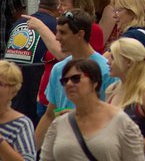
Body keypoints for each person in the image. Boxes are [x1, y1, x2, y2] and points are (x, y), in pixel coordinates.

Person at [35, 10, 114, 146]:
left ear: (80, 34)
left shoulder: (106, 71)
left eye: (63, 33)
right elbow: (49, 115)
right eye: (57, 31)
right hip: (63, 146)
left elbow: (114, 118)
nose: (57, 37)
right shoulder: (58, 69)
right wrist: (30, 152)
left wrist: (78, 116)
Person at [40, 58, 142, 161]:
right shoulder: (58, 124)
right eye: (64, 81)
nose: (69, 84)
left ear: (94, 82)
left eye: (76, 78)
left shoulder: (121, 122)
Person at [105, 38, 145, 161]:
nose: (108, 62)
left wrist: (121, 147)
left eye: (113, 57)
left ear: (128, 62)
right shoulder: (111, 90)